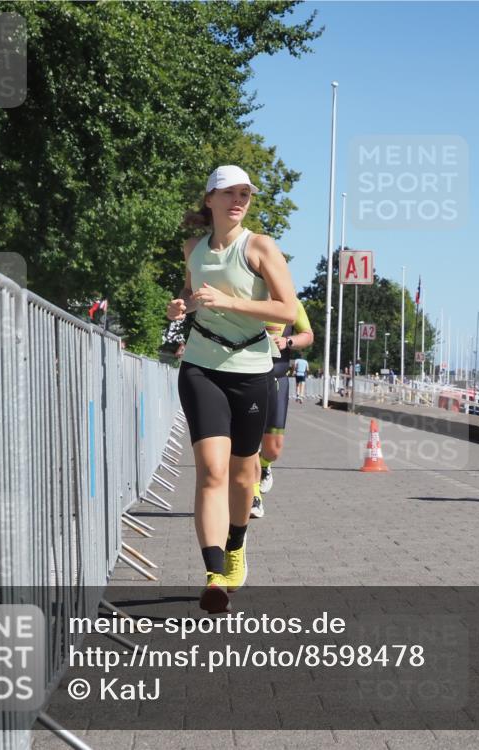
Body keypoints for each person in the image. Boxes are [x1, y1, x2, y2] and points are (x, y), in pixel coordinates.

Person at [167, 165, 297, 613]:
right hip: (201, 366)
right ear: (210, 200)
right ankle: (214, 574)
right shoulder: (193, 248)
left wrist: (229, 302)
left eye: (245, 193)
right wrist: (179, 305)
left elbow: (287, 308)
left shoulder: (259, 246)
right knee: (211, 470)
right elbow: (190, 292)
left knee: (244, 475)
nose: (238, 200)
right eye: (229, 193)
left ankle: (237, 544)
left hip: (251, 369)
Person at [251, 300, 314, 518]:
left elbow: (307, 335)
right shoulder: (248, 296)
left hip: (278, 379)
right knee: (248, 440)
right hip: (249, 379)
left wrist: (288, 341)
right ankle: (253, 495)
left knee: (273, 449)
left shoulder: (292, 303)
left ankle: (265, 464)